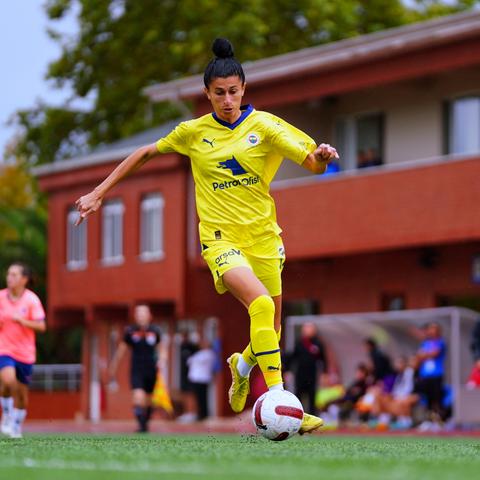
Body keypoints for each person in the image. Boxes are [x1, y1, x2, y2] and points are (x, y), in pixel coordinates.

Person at [75, 38, 338, 434]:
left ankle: (243, 365)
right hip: (220, 241)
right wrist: (98, 192)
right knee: (262, 307)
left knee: (273, 327)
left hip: (265, 238)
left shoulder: (265, 125)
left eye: (233, 92)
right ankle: (282, 401)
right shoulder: (193, 132)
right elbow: (145, 153)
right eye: (219, 93)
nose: (227, 100)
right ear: (207, 94)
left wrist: (321, 157)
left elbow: (312, 163)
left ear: (243, 89)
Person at [0, 262, 46, 438]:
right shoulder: (1, 297)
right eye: (8, 274)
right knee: (8, 380)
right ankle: (6, 415)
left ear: (24, 279)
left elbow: (42, 326)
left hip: (25, 353)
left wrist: (23, 321)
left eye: (14, 275)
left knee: (22, 395)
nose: (9, 278)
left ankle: (16, 425)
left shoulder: (32, 300)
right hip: (4, 349)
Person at [109, 304, 162, 432]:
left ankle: (145, 423)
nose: (141, 316)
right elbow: (122, 349)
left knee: (148, 399)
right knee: (138, 396)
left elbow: (161, 348)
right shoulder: (130, 331)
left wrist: (162, 361)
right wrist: (114, 364)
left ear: (149, 316)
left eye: (143, 313)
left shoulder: (155, 331)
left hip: (151, 369)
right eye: (138, 313)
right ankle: (141, 426)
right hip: (137, 368)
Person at [285, 322, 327, 414]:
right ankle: (297, 416)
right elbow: (292, 357)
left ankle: (313, 416)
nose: (307, 330)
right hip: (300, 375)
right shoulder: (299, 343)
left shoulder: (318, 343)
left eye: (309, 328)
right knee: (299, 395)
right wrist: (288, 370)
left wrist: (324, 374)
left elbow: (323, 359)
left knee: (312, 396)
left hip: (312, 375)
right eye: (305, 328)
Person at [414, 322, 447, 421]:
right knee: (426, 399)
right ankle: (428, 420)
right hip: (425, 375)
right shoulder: (425, 343)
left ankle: (440, 420)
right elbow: (418, 356)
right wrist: (423, 355)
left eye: (434, 329)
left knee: (436, 398)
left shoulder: (440, 342)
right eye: (430, 329)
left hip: (436, 374)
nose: (431, 331)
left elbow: (434, 354)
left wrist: (424, 355)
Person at [187, 340, 216, 421]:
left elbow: (190, 360)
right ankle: (199, 414)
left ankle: (203, 414)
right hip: (197, 378)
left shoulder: (208, 354)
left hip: (201, 379)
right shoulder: (201, 354)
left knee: (202, 398)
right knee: (198, 398)